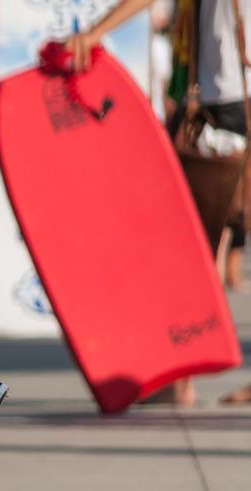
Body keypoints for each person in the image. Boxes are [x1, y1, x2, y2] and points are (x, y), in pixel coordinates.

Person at [68, 0, 251, 406]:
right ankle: (182, 376)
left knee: (195, 248)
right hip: (225, 103)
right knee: (202, 244)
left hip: (227, 106)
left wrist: (95, 33)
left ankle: (180, 381)